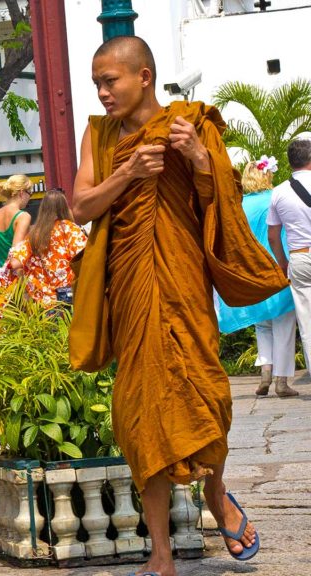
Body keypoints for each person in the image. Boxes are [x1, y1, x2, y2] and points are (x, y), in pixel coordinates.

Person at [71, 35, 287, 576]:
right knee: (142, 415)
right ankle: (160, 554)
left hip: (183, 282)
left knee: (204, 394)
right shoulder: (98, 135)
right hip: (132, 289)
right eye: (96, 82)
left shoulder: (192, 124)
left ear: (144, 76)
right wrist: (126, 175)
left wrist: (197, 158)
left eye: (110, 80)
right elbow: (79, 206)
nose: (102, 93)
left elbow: (228, 206)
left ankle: (216, 495)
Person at [219, 158, 297, 397]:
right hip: (277, 268)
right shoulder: (274, 199)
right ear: (267, 177)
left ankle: (265, 371)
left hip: (252, 272)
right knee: (284, 324)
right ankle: (281, 381)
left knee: (262, 325)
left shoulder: (239, 205)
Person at [268, 136, 311, 396]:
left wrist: (283, 262)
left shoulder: (279, 191)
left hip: (299, 257)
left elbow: (273, 235)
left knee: (307, 322)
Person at [7, 189, 86, 307]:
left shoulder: (34, 234)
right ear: (64, 207)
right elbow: (85, 255)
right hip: (70, 297)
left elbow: (15, 263)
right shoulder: (69, 229)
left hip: (44, 303)